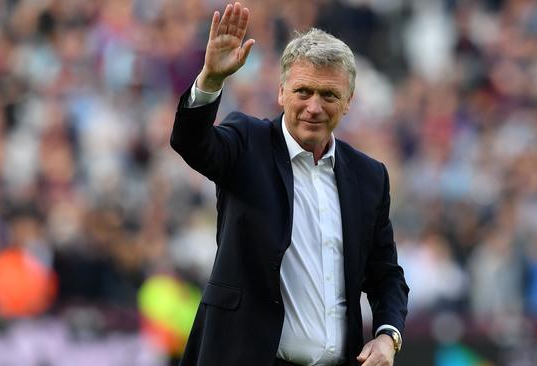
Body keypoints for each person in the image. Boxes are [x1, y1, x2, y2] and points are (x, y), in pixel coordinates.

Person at [170, 2, 409, 365]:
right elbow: (191, 143)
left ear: (348, 103)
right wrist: (211, 79)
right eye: (303, 91)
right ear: (282, 93)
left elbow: (386, 275)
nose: (314, 107)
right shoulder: (248, 142)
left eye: (329, 95)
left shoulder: (368, 177)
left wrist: (387, 336)